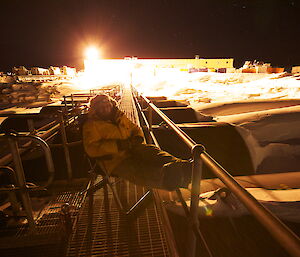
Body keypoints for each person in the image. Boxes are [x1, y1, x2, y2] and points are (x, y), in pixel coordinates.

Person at [82, 94, 192, 191]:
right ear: (96, 110)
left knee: (151, 151)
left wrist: (138, 137)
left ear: (111, 104)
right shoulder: (91, 125)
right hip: (114, 159)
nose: (106, 108)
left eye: (107, 105)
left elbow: (134, 128)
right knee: (136, 169)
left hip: (131, 147)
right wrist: (118, 145)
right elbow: (91, 148)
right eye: (101, 107)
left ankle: (180, 165)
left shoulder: (119, 116)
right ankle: (167, 178)